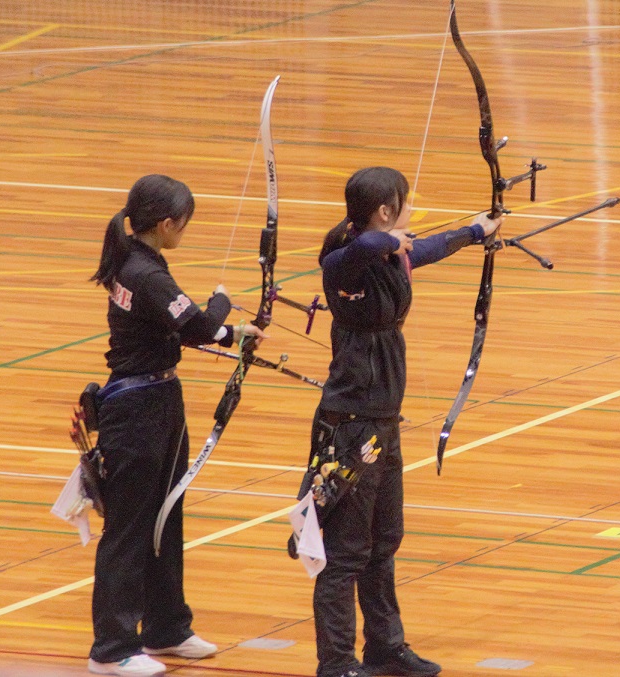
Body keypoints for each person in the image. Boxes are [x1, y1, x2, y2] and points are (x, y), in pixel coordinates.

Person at [309, 166, 503, 677]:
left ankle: (385, 647)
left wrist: (475, 231)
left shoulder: (385, 249)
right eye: (404, 205)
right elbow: (363, 249)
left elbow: (422, 248)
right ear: (385, 212)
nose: (410, 213)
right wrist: (387, 240)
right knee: (346, 551)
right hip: (351, 424)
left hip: (382, 420)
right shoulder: (344, 261)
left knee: (384, 540)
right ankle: (336, 662)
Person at [87, 174, 266, 677]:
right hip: (136, 410)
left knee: (166, 515)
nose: (183, 231)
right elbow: (199, 326)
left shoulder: (136, 259)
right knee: (128, 530)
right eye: (183, 224)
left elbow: (180, 329)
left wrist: (235, 333)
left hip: (159, 397)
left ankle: (166, 627)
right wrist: (224, 305)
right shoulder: (145, 273)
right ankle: (112, 648)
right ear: (165, 224)